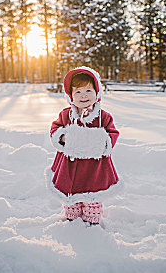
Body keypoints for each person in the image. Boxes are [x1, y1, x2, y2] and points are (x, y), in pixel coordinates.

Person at [48, 66, 120, 225]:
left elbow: (113, 133)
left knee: (92, 196)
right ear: (71, 96)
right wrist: (63, 137)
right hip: (71, 165)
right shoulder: (66, 114)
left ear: (97, 93)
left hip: (94, 167)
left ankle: (91, 221)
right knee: (71, 195)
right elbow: (55, 129)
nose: (84, 96)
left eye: (88, 91)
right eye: (78, 92)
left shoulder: (103, 117)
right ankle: (72, 219)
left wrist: (103, 142)